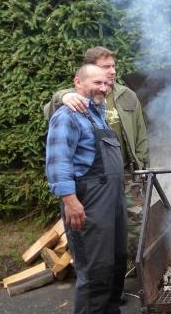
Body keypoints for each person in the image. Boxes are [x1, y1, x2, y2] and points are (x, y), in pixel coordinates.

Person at [46, 64, 135, 314]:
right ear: (78, 83)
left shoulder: (96, 114)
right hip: (88, 201)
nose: (103, 88)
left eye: (106, 84)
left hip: (111, 199)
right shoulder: (66, 116)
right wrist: (70, 201)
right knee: (94, 268)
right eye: (97, 82)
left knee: (116, 260)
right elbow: (58, 162)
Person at [44, 46, 149, 261]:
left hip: (127, 174)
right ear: (90, 69)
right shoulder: (76, 96)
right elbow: (51, 111)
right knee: (100, 231)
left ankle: (135, 269)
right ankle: (103, 272)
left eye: (113, 66)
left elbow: (141, 134)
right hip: (96, 180)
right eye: (106, 67)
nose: (112, 71)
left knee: (136, 226)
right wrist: (64, 96)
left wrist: (142, 166)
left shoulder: (127, 95)